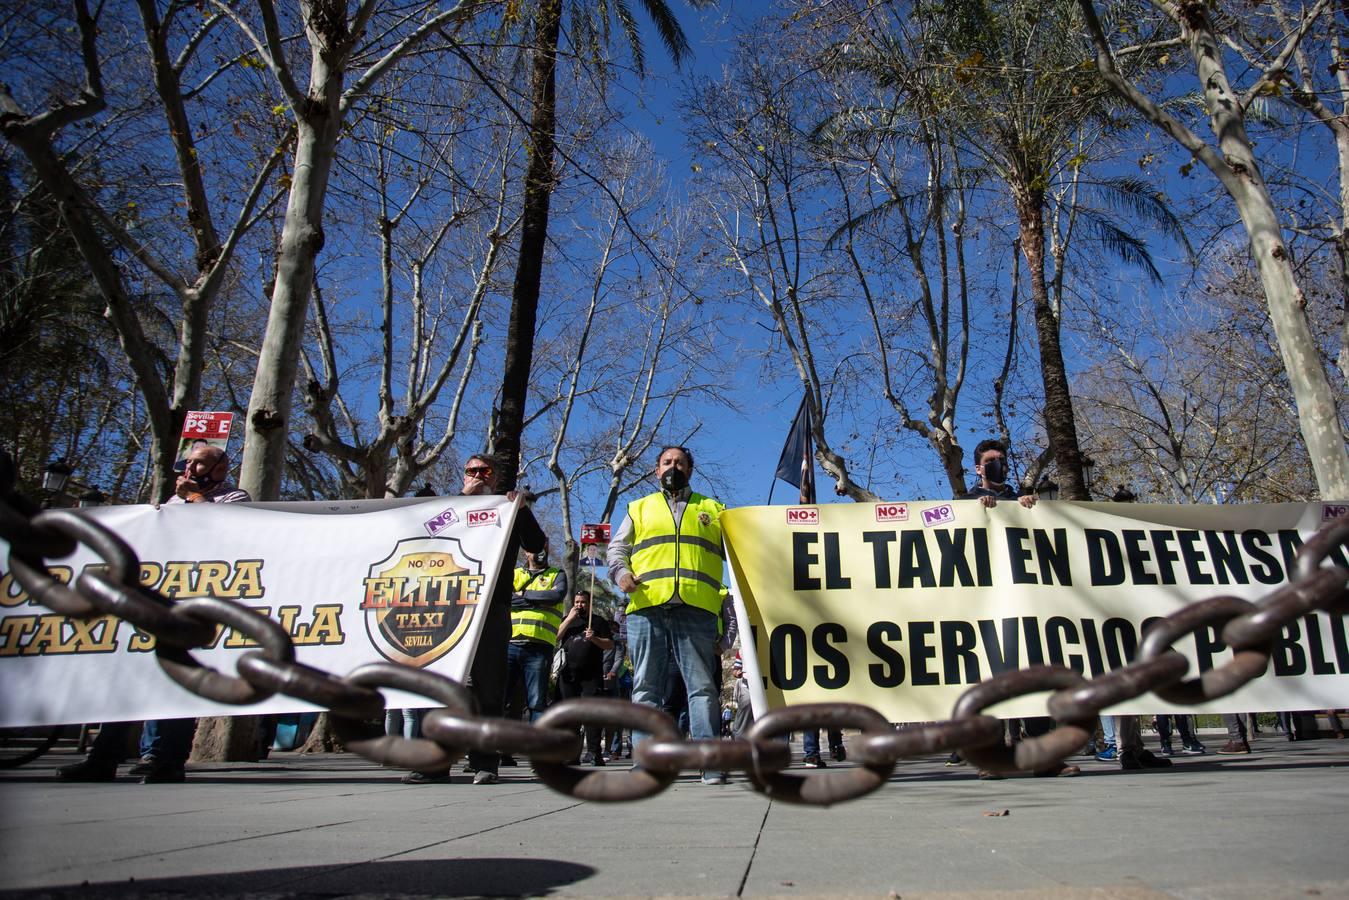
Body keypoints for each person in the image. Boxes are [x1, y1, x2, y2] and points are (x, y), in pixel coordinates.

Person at [58, 445, 250, 785]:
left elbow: (227, 534)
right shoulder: (170, 503)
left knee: (177, 677)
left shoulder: (234, 498)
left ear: (219, 468)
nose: (189, 467)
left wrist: (194, 500)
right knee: (128, 675)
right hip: (154, 599)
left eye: (198, 462)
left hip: (196, 604)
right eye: (187, 462)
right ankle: (104, 756)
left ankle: (165, 758)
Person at [404, 452, 546, 785]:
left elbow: (536, 545)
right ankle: (434, 764)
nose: (478, 476)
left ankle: (485, 763)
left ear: (496, 478)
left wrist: (521, 509)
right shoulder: (447, 508)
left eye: (485, 471)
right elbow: (420, 533)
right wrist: (463, 498)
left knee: (489, 689)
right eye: (472, 471)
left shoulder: (507, 510)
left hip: (490, 610)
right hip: (447, 607)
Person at [607, 445, 728, 785]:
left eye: (680, 462)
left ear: (691, 469)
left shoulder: (713, 509)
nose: (673, 467)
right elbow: (617, 548)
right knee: (646, 687)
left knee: (702, 688)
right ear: (655, 470)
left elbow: (739, 549)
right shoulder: (638, 507)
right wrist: (621, 575)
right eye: (667, 462)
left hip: (697, 609)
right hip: (647, 607)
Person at [959, 439, 1080, 779]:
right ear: (978, 468)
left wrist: (1031, 507)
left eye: (1001, 459)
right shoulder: (965, 502)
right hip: (985, 607)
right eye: (991, 460)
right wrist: (976, 511)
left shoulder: (1022, 500)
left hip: (1026, 605)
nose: (999, 464)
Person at [505, 547, 568, 724]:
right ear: (526, 552)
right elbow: (504, 598)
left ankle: (535, 747)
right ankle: (500, 746)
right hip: (510, 644)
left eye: (544, 547)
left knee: (537, 701)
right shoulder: (514, 573)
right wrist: (538, 602)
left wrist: (523, 595)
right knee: (503, 698)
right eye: (535, 548)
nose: (541, 551)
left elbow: (555, 595)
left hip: (540, 647)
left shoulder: (557, 574)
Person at [555, 590, 614, 765]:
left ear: (590, 604)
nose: (580, 605)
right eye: (577, 602)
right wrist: (568, 620)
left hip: (591, 675)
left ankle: (594, 753)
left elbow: (609, 644)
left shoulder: (598, 621)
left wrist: (594, 638)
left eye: (583, 602)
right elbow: (555, 637)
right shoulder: (568, 620)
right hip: (568, 674)